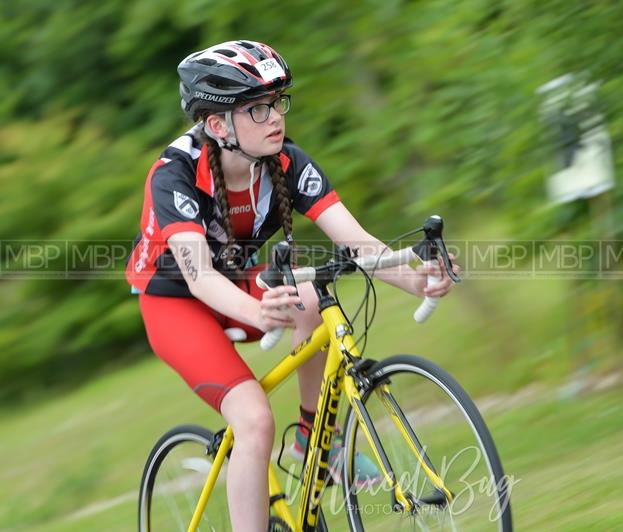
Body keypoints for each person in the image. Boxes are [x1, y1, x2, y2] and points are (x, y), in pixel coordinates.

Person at [125, 39, 459, 531]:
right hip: (177, 301)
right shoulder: (174, 175)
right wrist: (257, 312)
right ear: (217, 125)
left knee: (309, 297)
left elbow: (357, 241)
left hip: (237, 283)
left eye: (277, 102)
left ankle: (311, 441)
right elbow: (199, 278)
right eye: (256, 109)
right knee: (254, 421)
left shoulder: (285, 162)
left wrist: (417, 280)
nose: (275, 117)